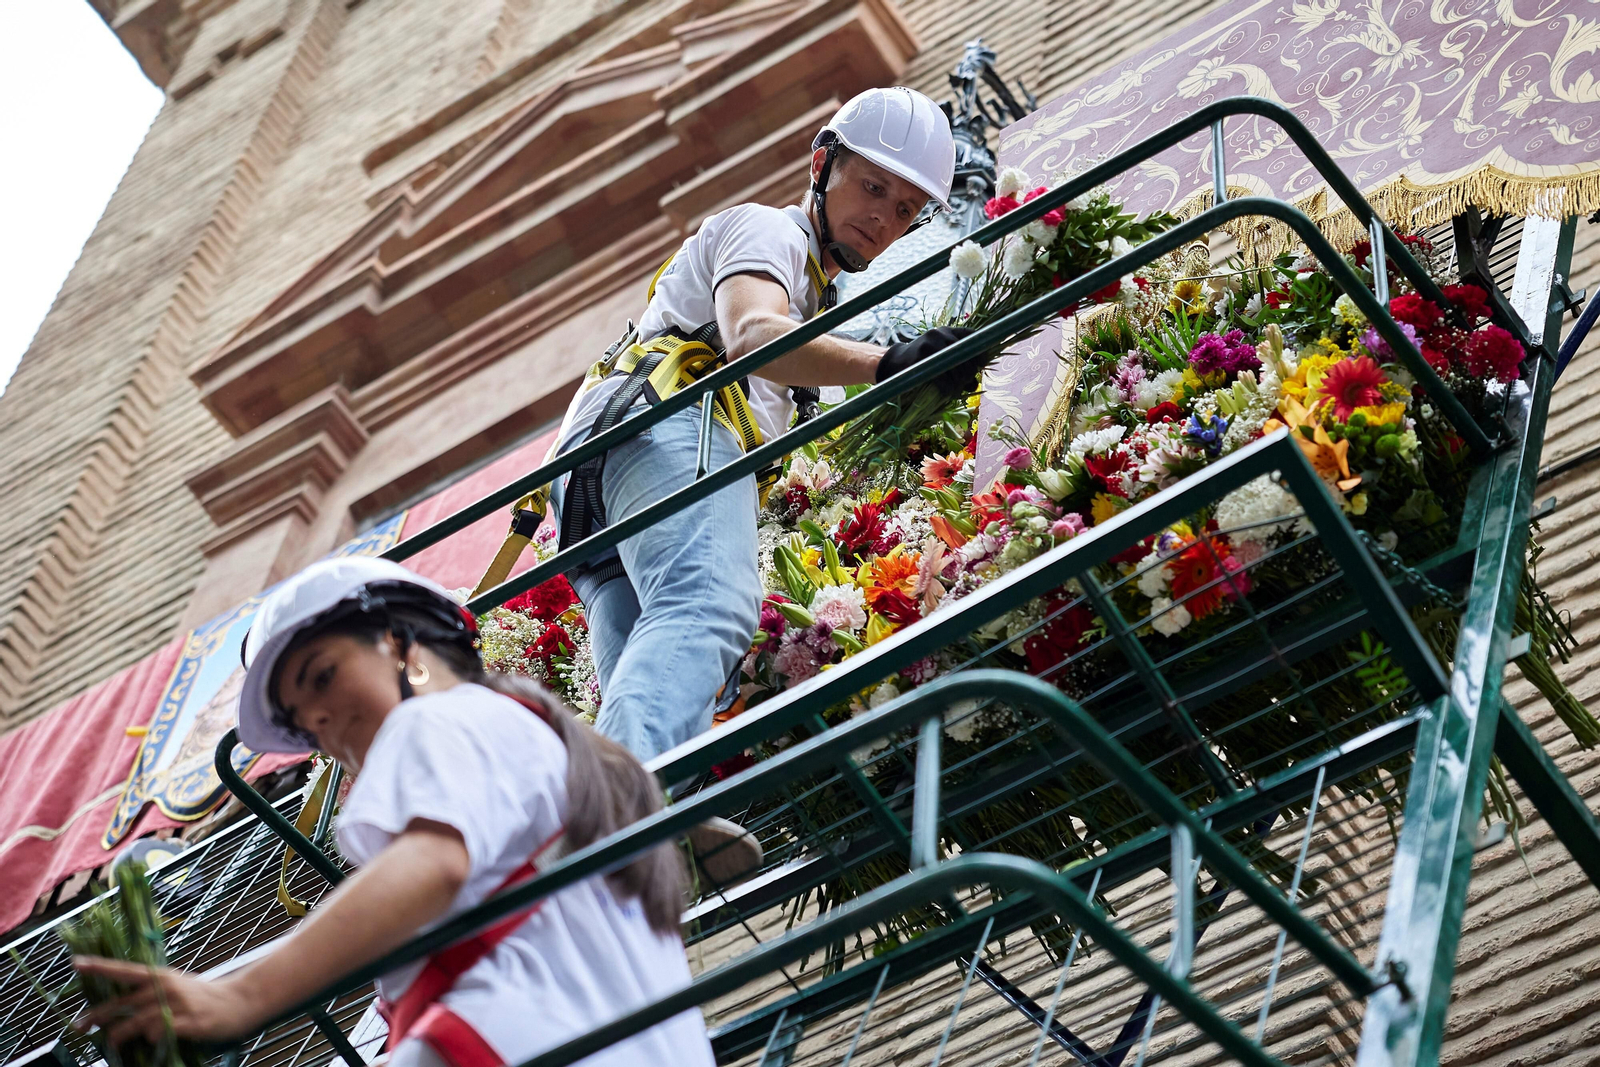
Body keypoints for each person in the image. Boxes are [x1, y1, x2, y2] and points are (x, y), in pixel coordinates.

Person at [72, 556, 712, 1067]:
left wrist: (238, 997)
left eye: (321, 677)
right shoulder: (528, 734)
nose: (317, 721)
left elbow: (434, 864)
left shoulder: (436, 720)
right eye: (299, 720)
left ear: (401, 643)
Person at [544, 85, 969, 764]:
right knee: (710, 604)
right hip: (662, 427)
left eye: (905, 209)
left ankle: (631, 827)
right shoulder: (768, 232)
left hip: (599, 483)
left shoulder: (814, 298)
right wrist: (890, 363)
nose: (883, 217)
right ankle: (616, 828)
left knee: (656, 668)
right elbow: (752, 333)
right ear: (820, 165)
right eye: (871, 185)